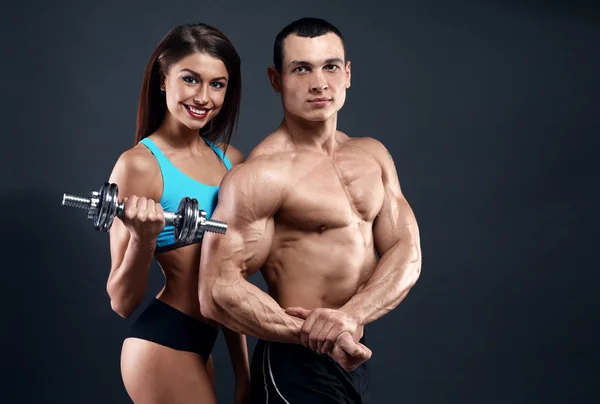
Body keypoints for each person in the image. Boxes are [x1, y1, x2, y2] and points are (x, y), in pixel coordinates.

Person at [198, 17, 422, 403]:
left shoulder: (373, 154)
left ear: (348, 73)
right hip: (295, 361)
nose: (319, 83)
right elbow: (217, 289)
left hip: (351, 352)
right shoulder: (262, 174)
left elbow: (406, 249)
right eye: (301, 69)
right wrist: (308, 332)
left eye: (330, 66)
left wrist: (349, 318)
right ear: (276, 79)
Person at [105, 23, 249, 404]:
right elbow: (121, 302)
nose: (204, 97)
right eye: (190, 79)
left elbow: (229, 277)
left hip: (205, 342)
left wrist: (243, 374)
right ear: (163, 79)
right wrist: (143, 237)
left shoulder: (230, 161)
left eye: (217, 84)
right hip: (161, 342)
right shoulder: (139, 166)